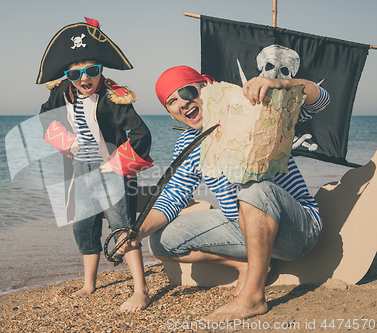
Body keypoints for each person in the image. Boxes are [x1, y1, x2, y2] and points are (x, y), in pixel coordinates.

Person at [117, 65, 330, 320]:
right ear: (171, 115)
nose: (183, 103)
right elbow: (172, 198)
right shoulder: (188, 143)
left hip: (298, 230)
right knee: (162, 239)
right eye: (172, 101)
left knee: (253, 186)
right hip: (242, 228)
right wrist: (135, 232)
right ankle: (247, 264)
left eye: (187, 91)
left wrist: (281, 84)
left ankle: (253, 297)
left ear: (206, 87)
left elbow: (321, 101)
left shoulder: (254, 107)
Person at [36, 18, 153, 312]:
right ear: (68, 74)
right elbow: (45, 116)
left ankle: (141, 289)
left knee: (121, 224)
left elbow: (142, 134)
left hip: (111, 167)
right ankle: (89, 283)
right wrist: (67, 142)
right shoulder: (61, 91)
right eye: (75, 73)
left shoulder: (115, 98)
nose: (84, 78)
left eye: (92, 71)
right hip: (79, 167)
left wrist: (116, 166)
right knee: (83, 226)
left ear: (101, 70)